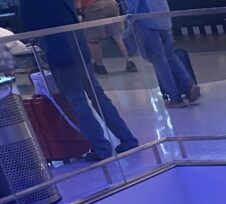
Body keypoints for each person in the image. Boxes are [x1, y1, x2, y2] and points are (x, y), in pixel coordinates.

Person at [20, 0, 139, 160]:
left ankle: (101, 147)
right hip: (77, 43)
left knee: (77, 100)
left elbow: (29, 22)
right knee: (97, 95)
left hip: (57, 50)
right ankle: (127, 138)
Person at [126, 0, 199, 108]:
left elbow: (133, 5)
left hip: (146, 21)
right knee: (170, 55)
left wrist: (129, 21)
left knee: (159, 61)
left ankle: (175, 98)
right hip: (164, 17)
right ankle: (188, 85)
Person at [76, 0, 138, 75]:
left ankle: (100, 66)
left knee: (92, 39)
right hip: (112, 4)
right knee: (118, 36)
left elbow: (78, 4)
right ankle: (129, 62)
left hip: (94, 7)